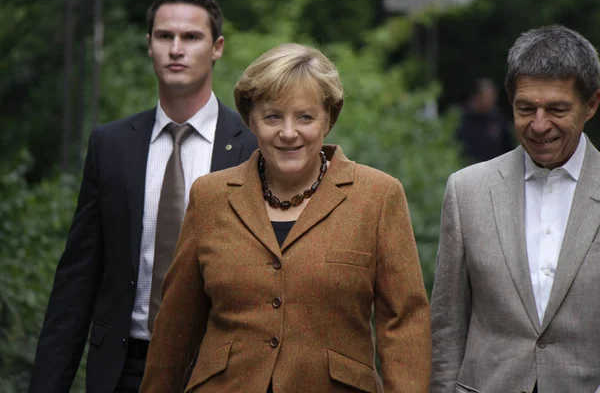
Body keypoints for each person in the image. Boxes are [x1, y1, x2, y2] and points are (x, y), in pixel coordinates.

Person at [139, 43, 431, 393]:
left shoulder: (377, 196)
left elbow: (404, 323)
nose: (288, 132)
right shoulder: (210, 197)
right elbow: (175, 326)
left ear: (328, 119)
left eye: (305, 117)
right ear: (251, 119)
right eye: (273, 116)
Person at [28, 0, 257, 392]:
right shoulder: (111, 146)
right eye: (164, 35)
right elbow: (77, 279)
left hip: (219, 370)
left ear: (217, 47)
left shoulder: (252, 146)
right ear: (148, 43)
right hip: (124, 369)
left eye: (191, 36)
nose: (176, 49)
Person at [430, 25, 600, 393]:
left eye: (557, 109)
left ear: (592, 104)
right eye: (526, 109)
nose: (539, 125)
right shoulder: (466, 191)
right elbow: (447, 325)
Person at [456, 77, 514, 163]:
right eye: (488, 96)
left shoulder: (498, 119)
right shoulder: (462, 120)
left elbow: (508, 147)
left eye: (493, 95)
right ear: (477, 97)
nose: (492, 99)